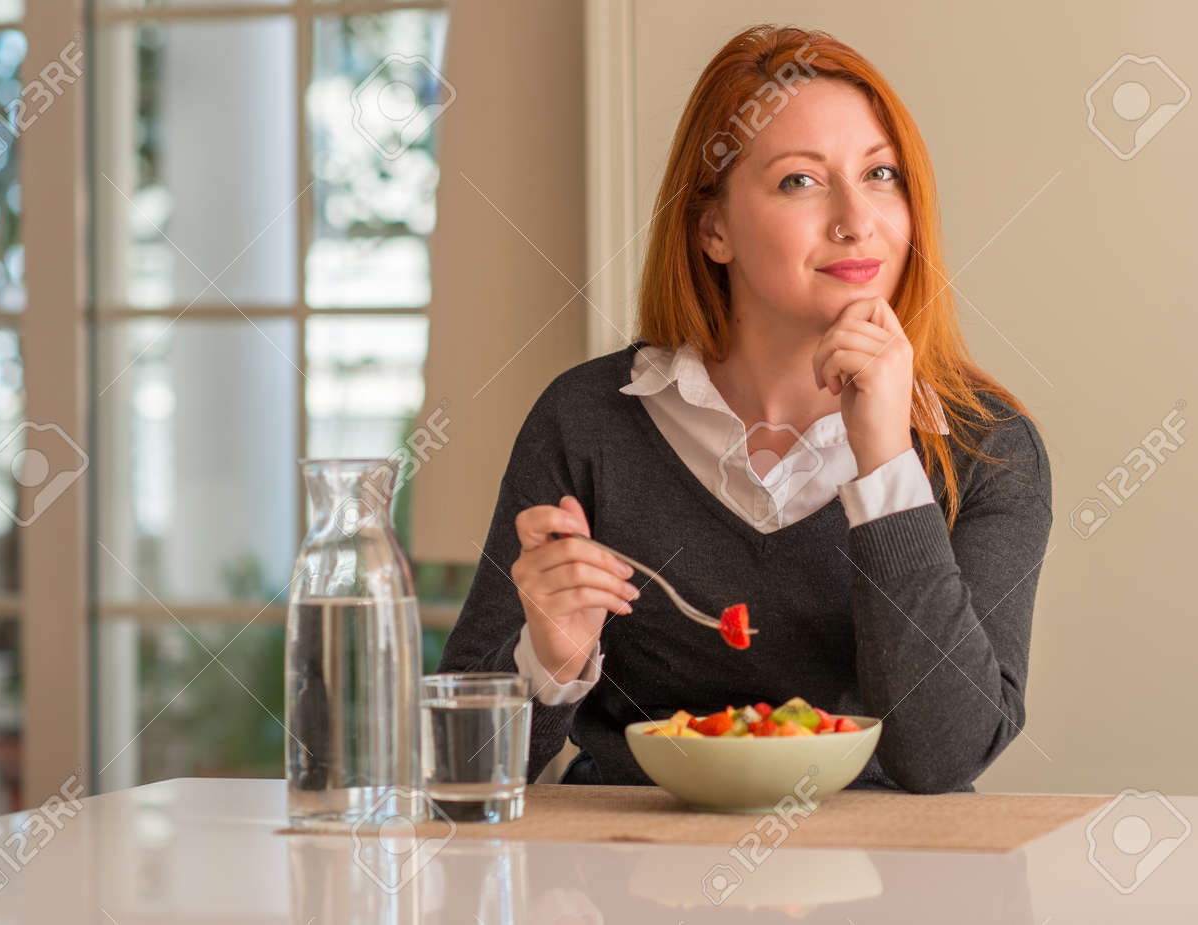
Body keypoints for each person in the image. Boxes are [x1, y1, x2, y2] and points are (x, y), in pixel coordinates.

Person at [436, 24, 1052, 793]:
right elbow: (458, 771)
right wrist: (547, 661)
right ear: (713, 228)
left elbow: (945, 756)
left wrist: (887, 462)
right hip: (626, 860)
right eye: (800, 181)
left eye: (880, 174)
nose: (856, 220)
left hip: (884, 865)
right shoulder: (586, 422)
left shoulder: (988, 446)